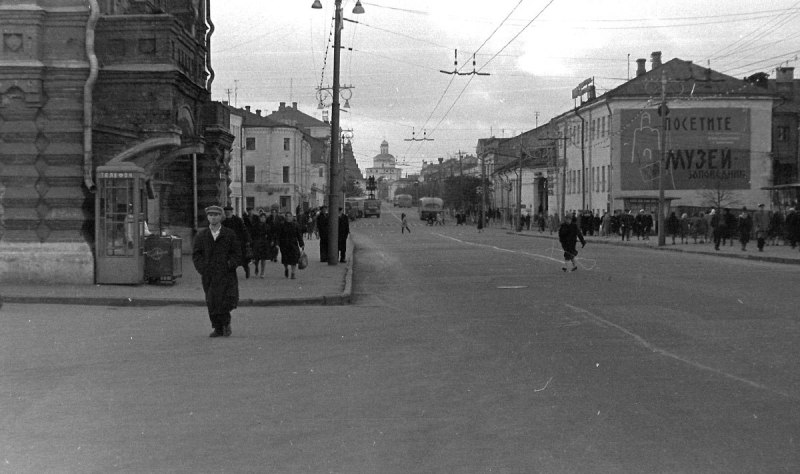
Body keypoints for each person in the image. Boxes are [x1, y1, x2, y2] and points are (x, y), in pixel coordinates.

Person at [192, 205, 241, 338]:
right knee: (212, 301)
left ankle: (226, 323)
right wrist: (202, 268)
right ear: (207, 217)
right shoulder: (202, 235)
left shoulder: (229, 234)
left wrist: (230, 264)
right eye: (211, 215)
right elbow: (196, 254)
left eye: (216, 215)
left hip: (226, 274)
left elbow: (237, 253)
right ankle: (217, 328)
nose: (213, 218)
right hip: (209, 274)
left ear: (221, 217)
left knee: (226, 300)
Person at [222, 205, 251, 279]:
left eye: (228, 212)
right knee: (230, 259)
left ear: (232, 212)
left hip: (239, 243)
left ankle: (246, 269)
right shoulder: (224, 223)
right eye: (226, 212)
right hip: (229, 244)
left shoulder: (238, 220)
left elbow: (244, 230)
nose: (227, 214)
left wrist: (247, 240)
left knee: (243, 259)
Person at [276, 211, 305, 279]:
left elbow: (299, 235)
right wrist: (277, 244)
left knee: (294, 259)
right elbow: (278, 235)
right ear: (285, 217)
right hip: (284, 245)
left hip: (293, 244)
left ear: (292, 217)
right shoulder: (282, 225)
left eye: (289, 216)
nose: (288, 218)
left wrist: (301, 244)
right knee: (285, 259)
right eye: (287, 216)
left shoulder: (295, 225)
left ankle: (293, 273)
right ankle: (286, 268)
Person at [251, 211, 269, 277]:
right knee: (256, 258)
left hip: (264, 243)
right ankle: (256, 267)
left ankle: (262, 272)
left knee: (263, 258)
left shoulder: (267, 226)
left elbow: (270, 235)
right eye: (261, 217)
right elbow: (252, 234)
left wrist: (270, 240)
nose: (263, 219)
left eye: (264, 217)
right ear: (259, 218)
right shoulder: (255, 225)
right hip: (257, 243)